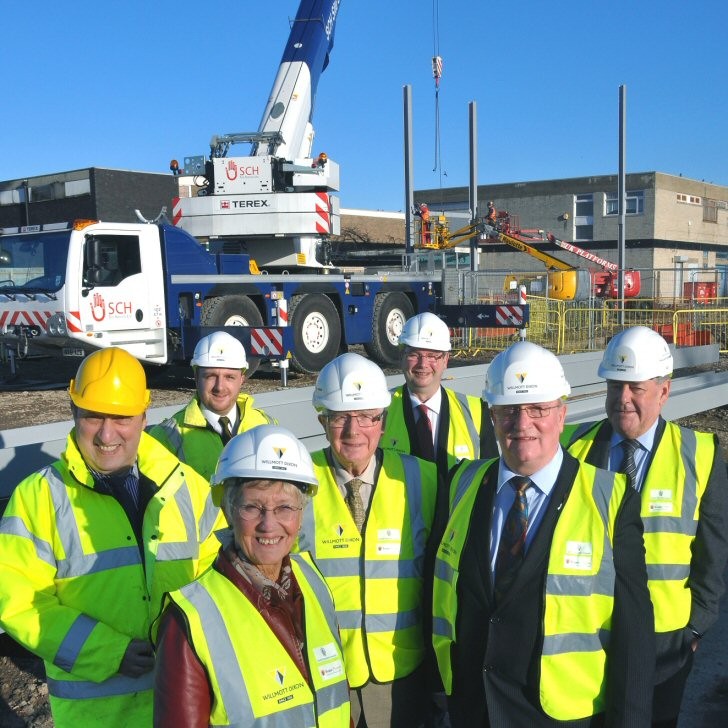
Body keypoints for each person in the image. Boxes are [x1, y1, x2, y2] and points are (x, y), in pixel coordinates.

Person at [432, 340, 655, 727]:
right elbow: (439, 598)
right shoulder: (461, 484)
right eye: (509, 410)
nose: (522, 424)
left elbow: (634, 637)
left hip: (562, 715)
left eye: (538, 409)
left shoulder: (611, 499)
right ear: (492, 414)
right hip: (474, 709)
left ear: (561, 412)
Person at [0, 347, 225, 727]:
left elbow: (219, 579)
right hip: (97, 718)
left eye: (121, 417)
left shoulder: (187, 487)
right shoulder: (37, 499)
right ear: (73, 413)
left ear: (143, 415)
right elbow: (19, 603)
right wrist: (107, 651)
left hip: (184, 705)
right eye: (92, 416)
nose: (107, 433)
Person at [564, 326, 728, 728]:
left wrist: (696, 626)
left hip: (666, 639)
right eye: (614, 386)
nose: (623, 400)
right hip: (588, 633)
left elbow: (714, 552)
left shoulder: (700, 457)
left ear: (664, 391)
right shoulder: (573, 450)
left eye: (636, 388)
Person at [154, 424, 350, 727]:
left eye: (285, 507)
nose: (268, 525)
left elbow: (335, 701)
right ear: (230, 511)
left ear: (301, 514)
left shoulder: (312, 581)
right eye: (252, 507)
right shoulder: (190, 619)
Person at [297, 352, 439, 728]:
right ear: (322, 421)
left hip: (402, 675)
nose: (352, 431)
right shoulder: (298, 483)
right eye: (340, 417)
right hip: (324, 677)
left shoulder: (424, 479)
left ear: (383, 421)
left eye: (365, 418)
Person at [149, 330, 276, 481]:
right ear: (196, 377)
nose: (219, 387)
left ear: (242, 379)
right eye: (210, 376)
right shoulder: (166, 436)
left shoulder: (266, 425)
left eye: (229, 377)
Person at [382, 312, 498, 475]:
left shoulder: (476, 412)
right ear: (402, 356)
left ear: (445, 360)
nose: (423, 364)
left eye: (432, 356)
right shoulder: (379, 409)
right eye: (414, 354)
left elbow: (490, 478)